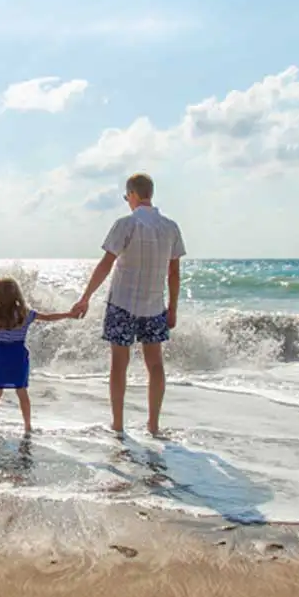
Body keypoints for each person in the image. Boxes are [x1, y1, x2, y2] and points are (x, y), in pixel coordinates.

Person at [70, 173, 186, 436]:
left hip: (122, 303)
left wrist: (85, 297)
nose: (127, 201)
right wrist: (173, 307)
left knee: (119, 365)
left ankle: (119, 425)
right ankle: (153, 426)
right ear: (150, 194)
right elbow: (174, 273)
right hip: (155, 305)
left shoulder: (126, 224)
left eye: (126, 197)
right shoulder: (170, 227)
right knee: (155, 365)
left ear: (132, 194)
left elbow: (106, 264)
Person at [0, 277, 76, 434]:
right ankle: (27, 426)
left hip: (0, 356)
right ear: (17, 294)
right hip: (18, 356)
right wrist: (69, 314)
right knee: (22, 391)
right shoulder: (25, 314)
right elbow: (49, 317)